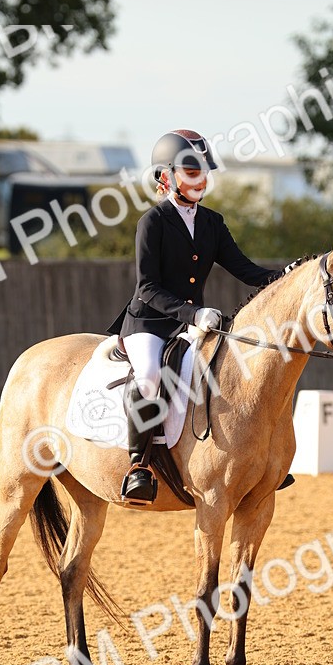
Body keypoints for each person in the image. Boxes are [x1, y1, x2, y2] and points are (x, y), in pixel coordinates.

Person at [107, 128, 277, 503]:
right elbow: (147, 288)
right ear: (166, 176)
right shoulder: (152, 222)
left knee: (228, 370)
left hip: (191, 323)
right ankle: (139, 466)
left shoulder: (212, 222)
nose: (200, 179)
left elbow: (245, 269)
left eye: (203, 171)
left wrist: (287, 277)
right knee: (150, 375)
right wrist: (193, 312)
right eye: (191, 171)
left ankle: (250, 458)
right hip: (149, 323)